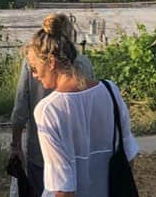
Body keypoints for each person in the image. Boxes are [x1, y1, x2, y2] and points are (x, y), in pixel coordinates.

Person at [27, 13, 138, 197]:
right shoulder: (111, 91)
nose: (34, 74)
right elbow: (129, 156)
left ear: (52, 62)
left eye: (34, 67)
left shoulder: (49, 110)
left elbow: (62, 188)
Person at [10, 15, 95, 196]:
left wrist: (16, 145)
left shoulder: (32, 63)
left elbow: (20, 105)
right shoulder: (84, 63)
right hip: (80, 151)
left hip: (40, 149)